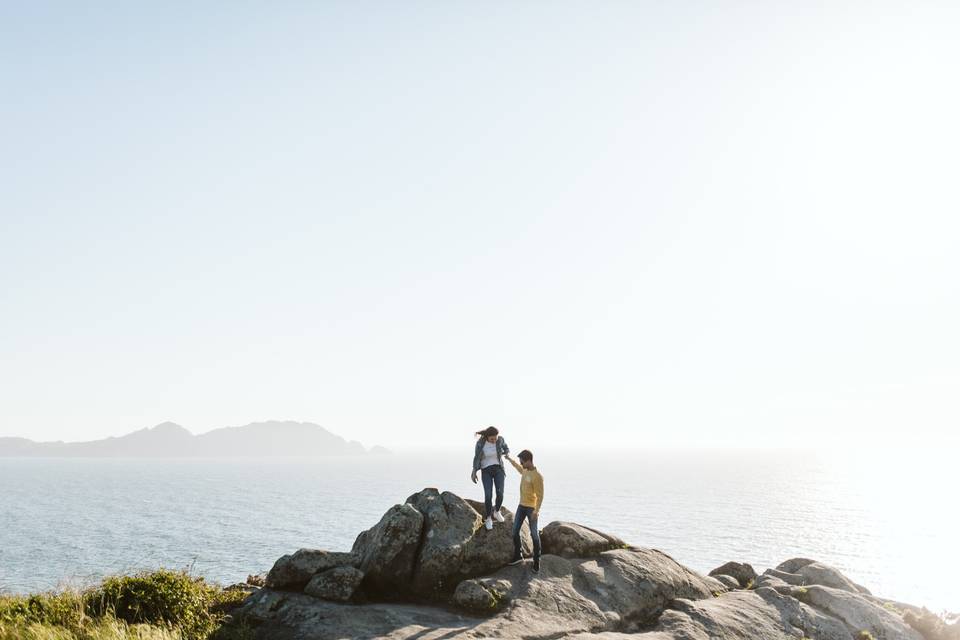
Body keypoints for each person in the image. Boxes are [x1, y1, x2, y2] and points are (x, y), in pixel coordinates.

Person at [505, 449, 544, 572]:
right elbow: (518, 468)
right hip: (521, 506)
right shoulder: (525, 471)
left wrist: (536, 511)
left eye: (522, 461)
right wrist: (509, 459)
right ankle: (518, 555)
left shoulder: (537, 476)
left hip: (531, 509)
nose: (520, 463)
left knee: (534, 534)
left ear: (528, 460)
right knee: (515, 531)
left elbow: (540, 495)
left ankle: (537, 561)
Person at [471, 426, 509, 530]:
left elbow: (506, 448)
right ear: (487, 437)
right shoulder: (480, 443)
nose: (494, 441)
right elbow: (476, 457)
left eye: (495, 438)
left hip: (498, 469)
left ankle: (496, 512)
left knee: (500, 493)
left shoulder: (500, 440)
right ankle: (488, 518)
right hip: (486, 470)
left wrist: (506, 453)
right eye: (492, 439)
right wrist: (474, 471)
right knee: (488, 495)